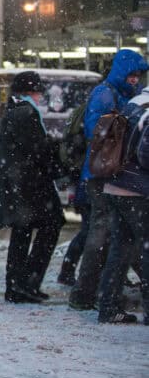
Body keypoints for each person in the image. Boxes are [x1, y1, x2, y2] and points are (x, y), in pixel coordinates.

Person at [68, 48, 148, 310]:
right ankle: (86, 294)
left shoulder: (125, 94)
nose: (135, 79)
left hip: (112, 174)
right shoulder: (105, 94)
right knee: (102, 235)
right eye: (131, 75)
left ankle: (100, 293)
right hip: (101, 174)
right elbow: (97, 133)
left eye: (139, 76)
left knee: (118, 236)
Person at [0, 71, 65, 304]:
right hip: (30, 186)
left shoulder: (16, 111)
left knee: (23, 233)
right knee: (48, 226)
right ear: (30, 92)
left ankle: (20, 285)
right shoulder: (26, 113)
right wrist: (59, 165)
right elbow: (37, 150)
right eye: (37, 92)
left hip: (21, 185)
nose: (39, 97)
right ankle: (23, 285)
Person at [96, 86, 149, 324]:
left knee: (120, 249)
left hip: (115, 184)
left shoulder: (131, 105)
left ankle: (108, 308)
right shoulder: (146, 112)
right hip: (137, 190)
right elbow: (145, 153)